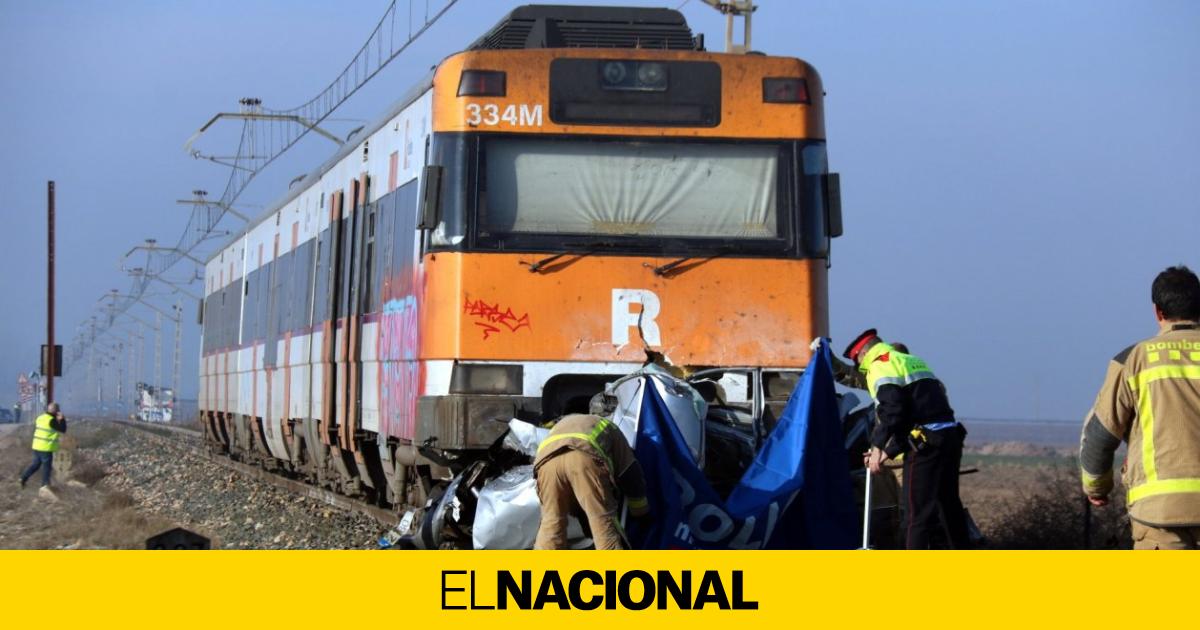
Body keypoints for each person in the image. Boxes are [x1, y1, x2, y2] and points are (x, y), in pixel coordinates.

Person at [1080, 265, 1200, 549]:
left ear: (1158, 312)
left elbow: (1099, 434)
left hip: (1159, 515)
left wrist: (1096, 487)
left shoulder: (1133, 359)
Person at [844, 329, 970, 549]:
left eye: (858, 361)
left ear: (863, 354)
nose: (861, 367)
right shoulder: (910, 360)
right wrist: (887, 452)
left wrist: (876, 447)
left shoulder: (879, 365)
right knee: (948, 505)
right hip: (949, 438)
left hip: (926, 447)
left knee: (915, 515)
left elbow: (893, 411)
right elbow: (915, 416)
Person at [533, 413, 649, 550]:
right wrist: (640, 511)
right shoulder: (611, 429)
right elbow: (629, 472)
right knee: (602, 523)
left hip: (546, 464)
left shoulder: (562, 425)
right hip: (583, 458)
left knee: (551, 524)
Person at [19, 402, 67, 499]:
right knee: (46, 467)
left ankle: (23, 478)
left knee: (35, 465)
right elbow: (62, 429)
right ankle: (45, 486)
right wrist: (62, 420)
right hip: (46, 447)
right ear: (56, 411)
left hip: (37, 445)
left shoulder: (40, 418)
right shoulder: (51, 420)